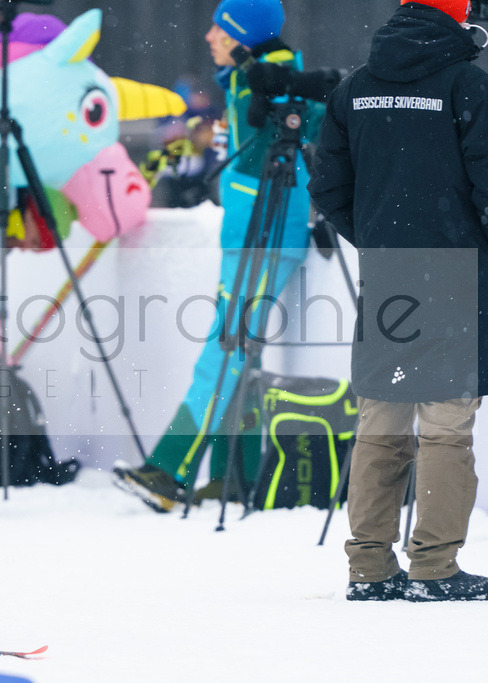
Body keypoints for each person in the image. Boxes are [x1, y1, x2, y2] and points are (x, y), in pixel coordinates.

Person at [309, 0, 488, 601]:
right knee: (445, 427)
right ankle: (433, 567)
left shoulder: (356, 87)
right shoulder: (467, 83)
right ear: (458, 15)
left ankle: (369, 566)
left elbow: (329, 185)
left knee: (381, 420)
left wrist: (383, 238)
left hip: (389, 274)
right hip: (457, 270)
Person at [113, 0, 320, 511]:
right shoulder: (246, 79)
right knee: (238, 352)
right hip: (253, 230)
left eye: (219, 29)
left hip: (263, 234)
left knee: (224, 350)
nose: (208, 36)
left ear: (241, 36)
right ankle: (236, 472)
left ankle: (170, 470)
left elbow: (297, 140)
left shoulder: (271, 82)